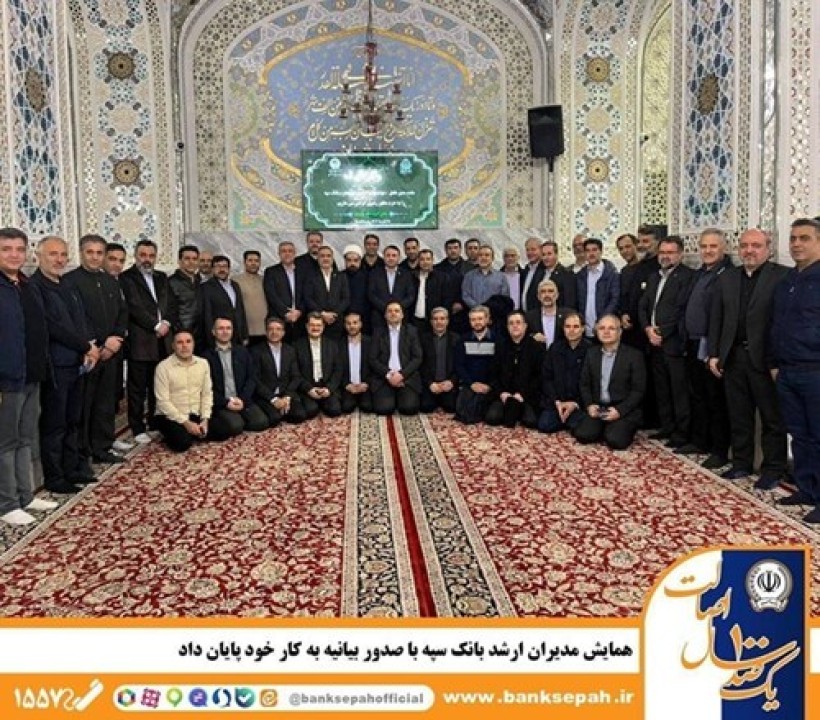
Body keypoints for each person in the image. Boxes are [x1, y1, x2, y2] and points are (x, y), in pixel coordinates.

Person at [707, 228, 789, 487]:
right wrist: (714, 353)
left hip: (766, 360)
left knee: (771, 418)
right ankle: (741, 463)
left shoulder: (782, 276)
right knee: (739, 415)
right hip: (733, 358)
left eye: (756, 245)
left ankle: (773, 468)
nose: (749, 250)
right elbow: (717, 318)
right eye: (744, 246)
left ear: (768, 249)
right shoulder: (727, 278)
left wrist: (779, 360)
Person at [31, 236, 99, 494]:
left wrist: (90, 345)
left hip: (77, 363)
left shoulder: (67, 285)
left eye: (62, 255)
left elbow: (81, 319)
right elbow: (52, 326)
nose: (59, 260)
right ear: (39, 256)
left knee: (73, 420)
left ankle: (72, 469)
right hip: (56, 365)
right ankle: (55, 476)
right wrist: (85, 346)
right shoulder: (36, 287)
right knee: (55, 423)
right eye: (53, 254)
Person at [0, 228, 57, 526]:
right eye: (6, 249)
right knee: (5, 442)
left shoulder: (26, 285)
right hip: (6, 379)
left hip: (31, 375)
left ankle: (25, 495)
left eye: (19, 249)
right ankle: (7, 503)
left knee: (25, 438)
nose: (14, 255)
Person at [62, 234, 128, 465]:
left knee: (105, 403)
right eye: (90, 252)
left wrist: (116, 339)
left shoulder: (110, 281)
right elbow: (74, 318)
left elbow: (122, 312)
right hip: (86, 354)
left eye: (99, 253)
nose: (95, 257)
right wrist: (95, 344)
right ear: (81, 253)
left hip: (110, 353)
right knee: (83, 405)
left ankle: (102, 448)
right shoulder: (70, 281)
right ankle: (82, 451)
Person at [771, 218, 820, 522]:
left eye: (804, 238)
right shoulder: (787, 280)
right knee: (799, 435)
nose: (797, 244)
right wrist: (774, 363)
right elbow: (776, 324)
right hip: (787, 370)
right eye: (793, 238)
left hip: (815, 371)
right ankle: (806, 488)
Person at [678, 229, 732, 467]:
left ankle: (719, 450)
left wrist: (715, 350)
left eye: (713, 246)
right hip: (692, 343)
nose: (708, 251)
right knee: (697, 395)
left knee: (715, 399)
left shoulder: (727, 275)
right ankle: (700, 440)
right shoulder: (700, 273)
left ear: (724, 248)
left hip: (711, 346)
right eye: (704, 246)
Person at [638, 236, 695, 447]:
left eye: (670, 252)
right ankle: (667, 427)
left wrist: (661, 332)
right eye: (662, 252)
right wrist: (647, 329)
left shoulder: (687, 277)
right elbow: (643, 306)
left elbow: (682, 310)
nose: (665, 256)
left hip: (674, 344)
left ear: (680, 254)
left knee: (679, 391)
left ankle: (681, 433)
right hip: (653, 343)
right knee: (662, 389)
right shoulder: (654, 277)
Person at [119, 239, 177, 444]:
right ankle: (137, 427)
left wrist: (167, 322)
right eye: (143, 255)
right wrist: (155, 325)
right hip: (141, 341)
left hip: (163, 340)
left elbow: (171, 303)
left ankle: (154, 422)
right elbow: (134, 307)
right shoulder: (126, 278)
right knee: (137, 388)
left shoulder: (162, 277)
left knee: (157, 385)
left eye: (151, 256)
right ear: (135, 256)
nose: (147, 259)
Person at [574, 315, 646, 450]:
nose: (606, 332)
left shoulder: (634, 356)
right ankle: (604, 427)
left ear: (620, 332)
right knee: (583, 435)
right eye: (602, 328)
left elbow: (638, 391)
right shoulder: (591, 353)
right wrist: (589, 405)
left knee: (616, 441)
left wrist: (619, 411)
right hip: (599, 408)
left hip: (623, 409)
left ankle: (613, 429)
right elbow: (584, 384)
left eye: (611, 328)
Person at [203, 317, 269, 440]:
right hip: (223, 402)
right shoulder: (206, 356)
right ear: (213, 332)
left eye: (228, 328)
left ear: (232, 331)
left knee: (261, 422)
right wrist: (225, 402)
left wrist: (243, 399)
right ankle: (235, 419)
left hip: (242, 399)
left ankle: (240, 417)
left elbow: (251, 378)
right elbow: (206, 388)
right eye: (221, 328)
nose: (225, 331)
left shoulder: (242, 351)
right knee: (236, 426)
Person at [153, 330, 212, 452]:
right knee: (182, 444)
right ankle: (184, 433)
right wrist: (186, 423)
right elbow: (162, 402)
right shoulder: (163, 367)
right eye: (180, 342)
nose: (184, 346)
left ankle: (193, 431)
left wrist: (205, 419)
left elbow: (207, 393)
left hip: (195, 412)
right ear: (173, 346)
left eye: (188, 341)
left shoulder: (203, 363)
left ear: (193, 344)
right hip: (172, 415)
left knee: (227, 429)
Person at [485, 311, 544, 428]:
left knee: (530, 422)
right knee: (492, 418)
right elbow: (493, 373)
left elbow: (539, 376)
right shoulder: (501, 346)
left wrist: (523, 394)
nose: (515, 326)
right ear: (507, 327)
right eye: (511, 323)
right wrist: (502, 393)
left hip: (526, 395)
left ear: (525, 326)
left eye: (518, 322)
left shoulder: (536, 347)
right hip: (504, 395)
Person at [538, 312, 592, 433]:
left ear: (583, 328)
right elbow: (546, 378)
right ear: (563, 328)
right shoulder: (555, 348)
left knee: (580, 427)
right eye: (568, 326)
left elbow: (592, 383)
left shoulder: (591, 350)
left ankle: (569, 418)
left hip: (579, 403)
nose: (571, 330)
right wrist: (557, 401)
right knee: (544, 425)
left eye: (576, 326)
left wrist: (575, 403)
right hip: (557, 401)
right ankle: (564, 417)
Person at [369, 301, 423, 415]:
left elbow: (417, 357)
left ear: (402, 315)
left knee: (409, 409)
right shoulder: (378, 332)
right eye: (389, 311)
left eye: (397, 311)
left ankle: (401, 396)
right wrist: (389, 375)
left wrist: (401, 375)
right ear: (385, 315)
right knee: (384, 409)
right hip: (384, 377)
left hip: (406, 377)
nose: (393, 313)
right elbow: (373, 359)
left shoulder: (411, 331)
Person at [251, 316, 306, 426]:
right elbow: (255, 380)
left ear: (283, 333)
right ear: (266, 332)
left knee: (299, 415)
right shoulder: (256, 351)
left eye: (278, 329)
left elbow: (296, 376)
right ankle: (277, 412)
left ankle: (282, 409)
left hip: (285, 393)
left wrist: (287, 397)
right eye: (270, 329)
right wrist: (273, 399)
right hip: (267, 395)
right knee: (274, 419)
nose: (274, 332)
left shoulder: (290, 350)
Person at [453, 305, 498, 424]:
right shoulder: (463, 340)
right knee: (463, 412)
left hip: (490, 385)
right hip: (470, 383)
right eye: (473, 319)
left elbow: (500, 367)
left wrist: (489, 385)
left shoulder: (497, 340)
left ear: (487, 319)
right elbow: (459, 365)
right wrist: (471, 383)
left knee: (491, 416)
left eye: (480, 319)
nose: (477, 322)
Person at [294, 312, 343, 418]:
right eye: (312, 325)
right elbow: (295, 373)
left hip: (326, 386)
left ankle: (323, 402)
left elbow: (338, 370)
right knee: (311, 411)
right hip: (308, 387)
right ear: (307, 326)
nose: (315, 328)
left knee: (335, 410)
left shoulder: (332, 345)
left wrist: (329, 389)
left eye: (318, 325)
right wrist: (308, 389)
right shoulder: (297, 346)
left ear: (323, 327)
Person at [302, 246, 349, 341]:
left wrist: (334, 314)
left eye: (328, 256)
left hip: (336, 321)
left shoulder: (341, 276)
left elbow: (346, 298)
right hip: (317, 321)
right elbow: (308, 298)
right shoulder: (310, 276)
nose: (325, 258)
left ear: (332, 258)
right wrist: (322, 314)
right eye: (322, 256)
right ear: (318, 258)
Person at [200, 255, 248, 346]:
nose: (222, 269)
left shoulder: (235, 285)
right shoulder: (206, 287)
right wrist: (211, 337)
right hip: (219, 335)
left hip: (237, 335)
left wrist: (244, 334)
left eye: (225, 266)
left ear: (229, 269)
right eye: (218, 266)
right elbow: (207, 314)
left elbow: (241, 310)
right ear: (212, 269)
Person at [576, 238, 620, 338]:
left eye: (594, 250)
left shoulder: (611, 274)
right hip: (584, 330)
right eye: (588, 250)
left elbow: (615, 300)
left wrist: (601, 321)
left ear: (601, 251)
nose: (591, 253)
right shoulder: (580, 276)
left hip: (605, 329)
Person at [420, 307, 459, 413]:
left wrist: (452, 382)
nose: (439, 322)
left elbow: (460, 364)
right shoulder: (423, 339)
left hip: (448, 383)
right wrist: (430, 383)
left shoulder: (456, 339)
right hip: (430, 384)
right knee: (426, 407)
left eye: (442, 318)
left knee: (451, 408)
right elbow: (421, 364)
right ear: (431, 322)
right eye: (435, 319)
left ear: (447, 321)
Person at [263, 240, 304, 341]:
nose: (287, 254)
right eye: (284, 251)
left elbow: (307, 294)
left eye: (290, 251)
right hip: (279, 319)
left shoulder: (302, 272)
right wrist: (286, 313)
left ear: (295, 253)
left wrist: (299, 312)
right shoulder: (271, 272)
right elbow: (271, 295)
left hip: (300, 320)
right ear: (279, 254)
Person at [367, 245, 415, 330]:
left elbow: (411, 295)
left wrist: (397, 309)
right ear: (383, 257)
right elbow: (371, 294)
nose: (391, 258)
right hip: (379, 316)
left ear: (399, 258)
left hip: (400, 317)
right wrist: (386, 309)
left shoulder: (407, 274)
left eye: (394, 255)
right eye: (388, 255)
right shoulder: (374, 273)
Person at [168, 245, 203, 346]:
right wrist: (180, 331)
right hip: (181, 336)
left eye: (194, 259)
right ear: (179, 261)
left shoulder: (200, 281)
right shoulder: (171, 282)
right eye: (187, 258)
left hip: (200, 336)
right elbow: (169, 311)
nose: (191, 262)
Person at [338, 312, 372, 414]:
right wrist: (346, 385)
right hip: (348, 386)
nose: (352, 326)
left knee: (367, 407)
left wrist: (366, 384)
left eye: (355, 322)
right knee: (346, 408)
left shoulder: (370, 342)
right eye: (348, 323)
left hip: (365, 385)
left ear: (360, 324)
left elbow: (374, 366)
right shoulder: (339, 344)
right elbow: (337, 369)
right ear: (345, 325)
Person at [233, 249, 268, 345]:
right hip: (245, 331)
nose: (253, 263)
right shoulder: (235, 281)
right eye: (250, 260)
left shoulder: (265, 280)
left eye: (256, 261)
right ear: (244, 262)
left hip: (265, 330)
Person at [461, 245, 510, 309]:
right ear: (477, 258)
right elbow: (466, 295)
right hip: (474, 313)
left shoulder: (501, 277)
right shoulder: (469, 276)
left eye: (487, 255)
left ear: (492, 258)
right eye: (480, 255)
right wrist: (479, 308)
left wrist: (490, 308)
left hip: (495, 313)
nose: (483, 258)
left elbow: (504, 297)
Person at [525, 279, 570, 348]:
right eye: (543, 292)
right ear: (538, 296)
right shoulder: (529, 317)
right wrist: (532, 337)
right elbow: (524, 337)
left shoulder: (568, 315)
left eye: (550, 291)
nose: (547, 295)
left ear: (557, 295)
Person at [412, 248, 447, 333]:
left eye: (428, 259)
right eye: (422, 259)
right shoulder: (411, 277)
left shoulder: (442, 277)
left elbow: (446, 299)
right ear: (418, 261)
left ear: (432, 260)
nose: (425, 262)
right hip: (415, 320)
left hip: (435, 321)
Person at [343, 244, 370, 333]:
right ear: (345, 261)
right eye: (349, 260)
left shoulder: (368, 277)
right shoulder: (339, 276)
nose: (352, 263)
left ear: (360, 261)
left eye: (355, 260)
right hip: (343, 319)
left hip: (364, 319)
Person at [520, 237, 545, 313]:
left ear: (541, 250)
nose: (530, 253)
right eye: (527, 250)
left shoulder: (545, 269)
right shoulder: (525, 270)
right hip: (526, 314)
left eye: (533, 249)